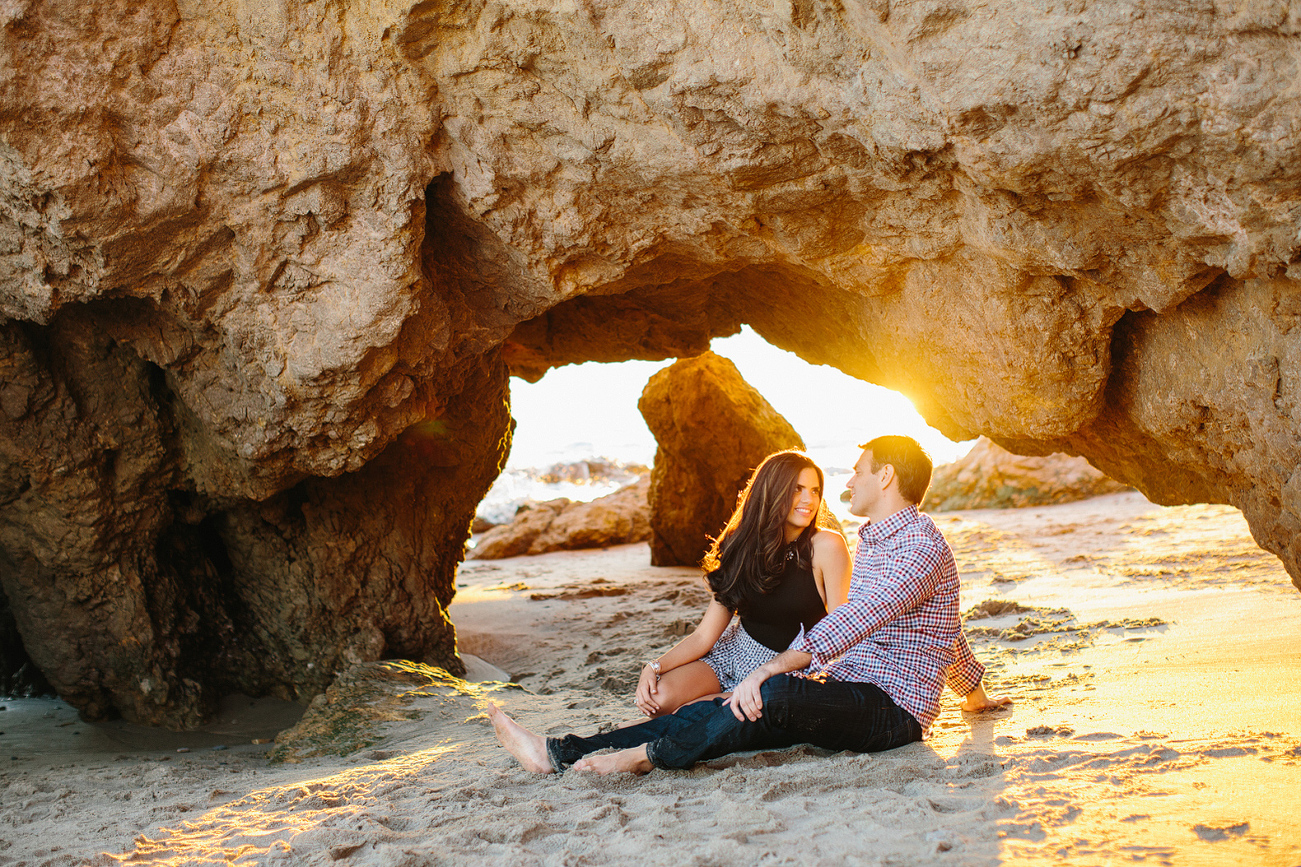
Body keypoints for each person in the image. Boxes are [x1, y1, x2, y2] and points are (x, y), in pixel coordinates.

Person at [488, 435, 1011, 775]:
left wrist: (766, 671)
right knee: (729, 711)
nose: (846, 482)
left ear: (887, 477)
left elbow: (854, 620)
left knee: (771, 693)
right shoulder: (875, 538)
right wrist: (975, 695)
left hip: (891, 711)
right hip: (848, 689)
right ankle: (560, 752)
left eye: (857, 471)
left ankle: (639, 759)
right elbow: (947, 630)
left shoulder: (920, 546)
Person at [633, 450, 851, 718]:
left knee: (689, 714)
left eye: (815, 490)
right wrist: (654, 667)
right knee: (659, 700)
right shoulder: (743, 545)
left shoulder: (827, 545)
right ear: (772, 491)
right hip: (736, 651)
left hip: (787, 668)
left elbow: (842, 633)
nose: (809, 500)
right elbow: (704, 635)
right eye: (797, 489)